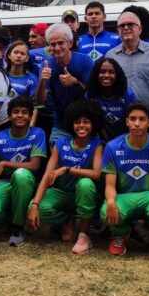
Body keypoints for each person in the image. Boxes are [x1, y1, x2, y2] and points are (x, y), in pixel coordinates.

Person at [27, 100, 104, 254]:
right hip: (62, 193)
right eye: (77, 122)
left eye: (86, 122)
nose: (81, 126)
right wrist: (35, 205)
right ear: (71, 124)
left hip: (83, 194)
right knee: (34, 207)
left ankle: (84, 235)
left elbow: (96, 174)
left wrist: (67, 169)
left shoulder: (97, 144)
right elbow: (47, 176)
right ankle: (67, 220)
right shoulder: (60, 143)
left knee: (86, 184)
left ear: (93, 123)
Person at [100, 101, 149, 257]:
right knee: (105, 211)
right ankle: (120, 234)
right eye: (133, 119)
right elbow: (110, 185)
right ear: (126, 121)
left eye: (142, 119)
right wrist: (112, 202)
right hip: (123, 197)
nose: (137, 124)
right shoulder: (113, 147)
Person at [0, 97, 47, 246]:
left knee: (20, 175)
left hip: (27, 182)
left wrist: (4, 163)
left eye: (24, 112)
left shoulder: (37, 133)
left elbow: (35, 165)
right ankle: (12, 215)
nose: (20, 115)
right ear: (9, 116)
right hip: (4, 182)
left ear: (30, 116)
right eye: (16, 112)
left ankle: (17, 227)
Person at [106, 7, 149, 119]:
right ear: (118, 31)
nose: (126, 28)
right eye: (122, 25)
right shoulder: (110, 56)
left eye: (130, 24)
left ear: (139, 29)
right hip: (120, 119)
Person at [36, 23, 93, 142]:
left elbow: (92, 94)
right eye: (53, 44)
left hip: (86, 121)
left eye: (61, 43)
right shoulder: (46, 65)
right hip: (61, 124)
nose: (56, 48)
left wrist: (75, 82)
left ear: (70, 43)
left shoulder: (85, 61)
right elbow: (40, 102)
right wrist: (42, 81)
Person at [85, 57, 136, 140]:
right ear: (96, 75)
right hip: (101, 141)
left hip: (126, 140)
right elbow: (94, 124)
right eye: (102, 72)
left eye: (111, 72)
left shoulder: (127, 94)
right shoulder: (91, 95)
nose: (106, 75)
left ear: (117, 75)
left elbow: (133, 122)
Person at [4, 41, 39, 127]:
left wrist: (30, 127)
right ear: (9, 55)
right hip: (0, 121)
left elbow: (35, 106)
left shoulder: (32, 79)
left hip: (20, 122)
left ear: (27, 58)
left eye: (22, 54)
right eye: (16, 52)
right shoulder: (0, 74)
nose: (19, 56)